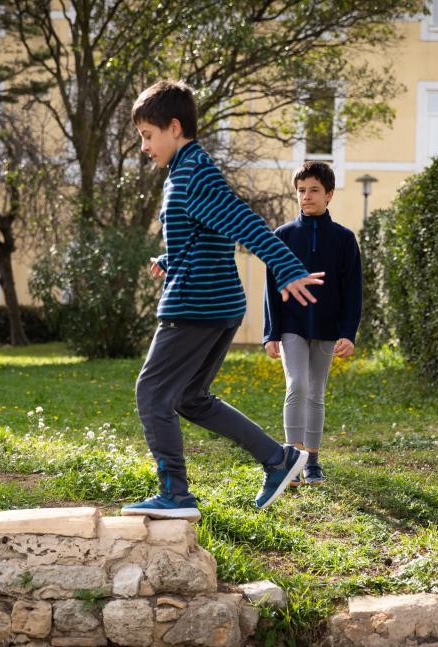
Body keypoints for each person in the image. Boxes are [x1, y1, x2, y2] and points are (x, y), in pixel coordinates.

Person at [120, 80, 325, 522]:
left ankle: (174, 493)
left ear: (175, 127)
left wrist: (287, 267)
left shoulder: (195, 172)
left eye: (147, 135)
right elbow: (202, 233)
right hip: (214, 300)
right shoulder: (184, 170)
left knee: (152, 392)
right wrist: (168, 258)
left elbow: (242, 221)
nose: (144, 146)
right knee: (191, 397)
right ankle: (279, 458)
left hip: (195, 304)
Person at [263, 161, 363, 485]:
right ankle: (291, 459)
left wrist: (348, 333)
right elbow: (271, 288)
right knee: (298, 386)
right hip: (292, 326)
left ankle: (313, 462)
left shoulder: (345, 240)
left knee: (316, 393)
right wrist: (271, 333)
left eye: (314, 190)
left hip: (327, 329)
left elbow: (353, 291)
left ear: (329, 194)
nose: (306, 196)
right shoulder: (282, 236)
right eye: (301, 190)